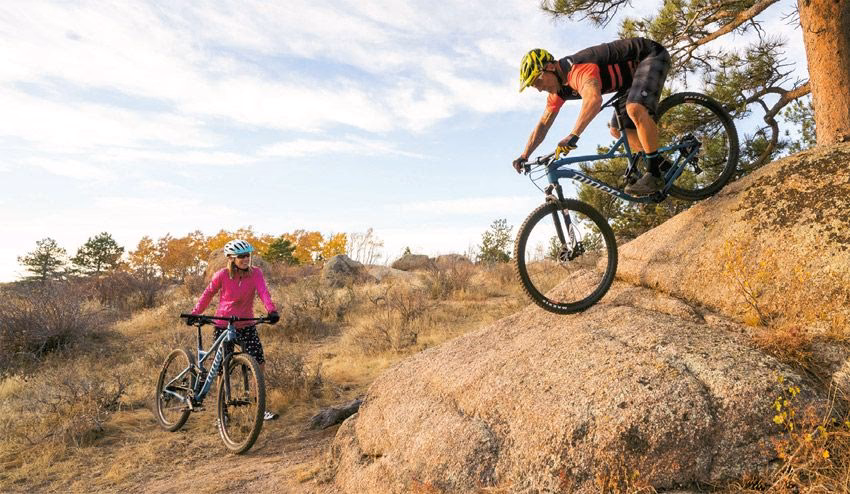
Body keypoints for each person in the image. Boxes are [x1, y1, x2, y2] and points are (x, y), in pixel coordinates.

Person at [513, 38, 672, 196]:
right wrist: (524, 155)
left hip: (650, 56)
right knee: (617, 130)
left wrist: (573, 135)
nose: (539, 89)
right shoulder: (559, 89)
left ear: (549, 67)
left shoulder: (577, 69)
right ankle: (661, 165)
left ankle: (654, 174)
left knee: (635, 108)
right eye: (534, 86)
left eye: (537, 82)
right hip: (629, 82)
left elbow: (594, 100)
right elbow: (543, 124)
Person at [188, 238, 281, 421]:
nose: (246, 259)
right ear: (231, 258)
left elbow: (263, 292)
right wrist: (195, 312)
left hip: (246, 324)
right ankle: (222, 413)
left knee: (258, 364)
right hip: (224, 324)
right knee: (222, 369)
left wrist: (271, 310)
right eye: (241, 256)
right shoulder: (222, 275)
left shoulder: (256, 274)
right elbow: (208, 294)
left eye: (248, 255)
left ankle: (259, 407)